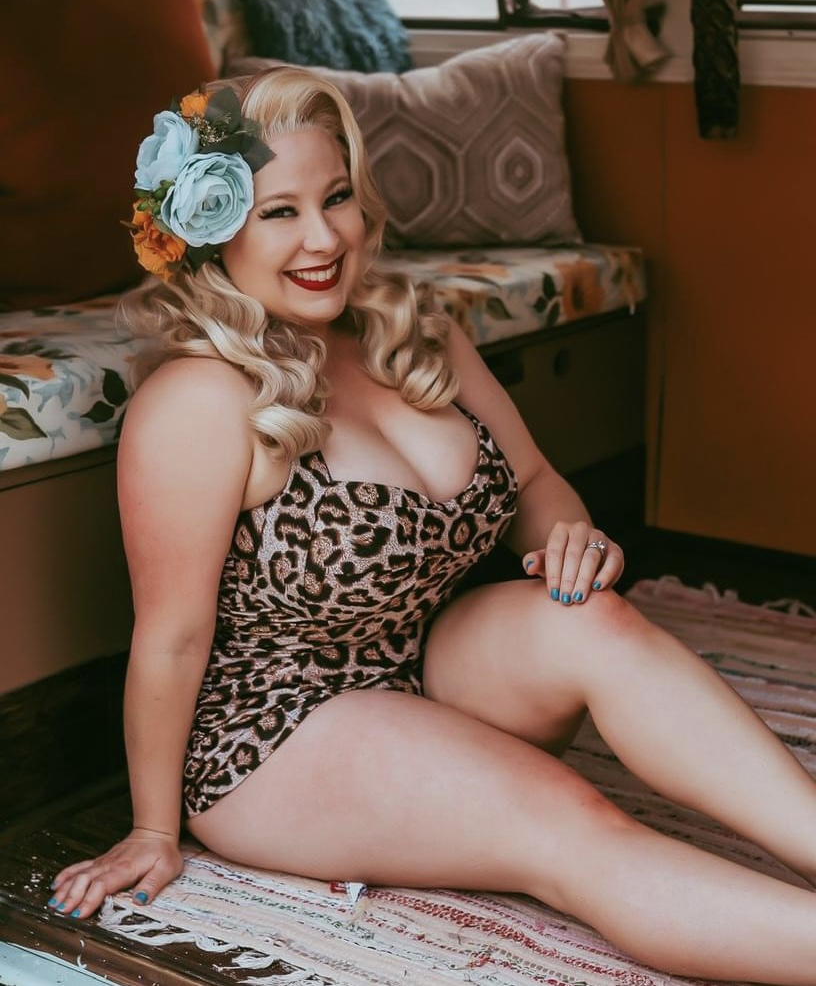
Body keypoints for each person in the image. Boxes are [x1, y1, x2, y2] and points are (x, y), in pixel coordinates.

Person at [48, 66, 816, 983]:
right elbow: (171, 638)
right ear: (214, 230)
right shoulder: (198, 400)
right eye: (280, 212)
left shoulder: (413, 335)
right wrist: (152, 827)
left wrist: (573, 539)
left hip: (423, 664)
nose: (324, 237)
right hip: (278, 732)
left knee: (595, 619)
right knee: (566, 815)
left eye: (337, 197)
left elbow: (535, 482)